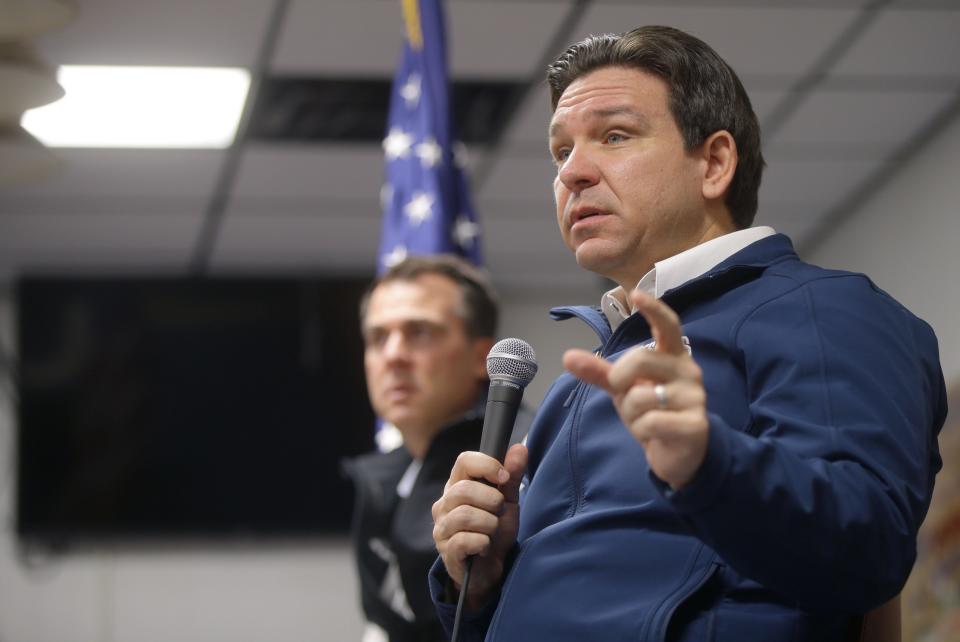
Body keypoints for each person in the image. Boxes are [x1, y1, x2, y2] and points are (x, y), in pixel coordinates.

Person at [428, 25, 947, 641]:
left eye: (614, 136)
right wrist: (484, 582)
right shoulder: (578, 385)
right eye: (561, 152)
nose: (572, 174)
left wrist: (709, 464)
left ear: (715, 162)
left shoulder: (825, 308)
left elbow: (867, 552)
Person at [346, 255, 518, 642]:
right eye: (377, 338)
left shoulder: (530, 460)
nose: (393, 356)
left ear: (482, 358)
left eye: (420, 332)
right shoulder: (378, 479)